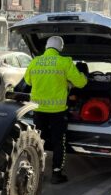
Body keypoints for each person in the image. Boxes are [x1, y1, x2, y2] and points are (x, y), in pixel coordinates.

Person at [24, 36, 87, 184]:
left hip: (38, 109)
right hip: (58, 111)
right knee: (59, 141)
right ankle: (56, 174)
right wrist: (82, 77)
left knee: (39, 140)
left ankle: (36, 171)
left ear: (46, 47)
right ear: (61, 48)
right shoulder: (64, 62)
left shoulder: (35, 61)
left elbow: (28, 81)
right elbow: (81, 83)